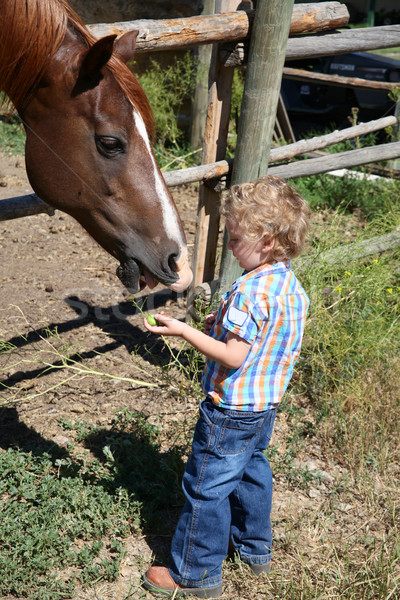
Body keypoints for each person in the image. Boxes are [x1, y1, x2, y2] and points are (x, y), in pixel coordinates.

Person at [142, 175, 311, 598]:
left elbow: (234, 356)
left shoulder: (251, 293)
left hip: (230, 410)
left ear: (268, 240)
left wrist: (183, 331)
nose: (230, 247)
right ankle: (254, 550)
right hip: (264, 407)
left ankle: (195, 574)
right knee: (252, 472)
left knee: (206, 488)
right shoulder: (291, 288)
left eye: (235, 239)